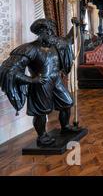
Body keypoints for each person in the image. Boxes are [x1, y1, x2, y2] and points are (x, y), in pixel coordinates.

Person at [0, 18, 79, 146]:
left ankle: (65, 126)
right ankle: (42, 136)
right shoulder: (30, 49)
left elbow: (69, 39)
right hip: (42, 83)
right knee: (41, 111)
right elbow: (10, 70)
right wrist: (31, 80)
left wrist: (76, 25)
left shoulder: (56, 44)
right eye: (47, 31)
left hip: (57, 80)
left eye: (51, 30)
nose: (51, 33)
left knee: (67, 102)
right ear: (40, 33)